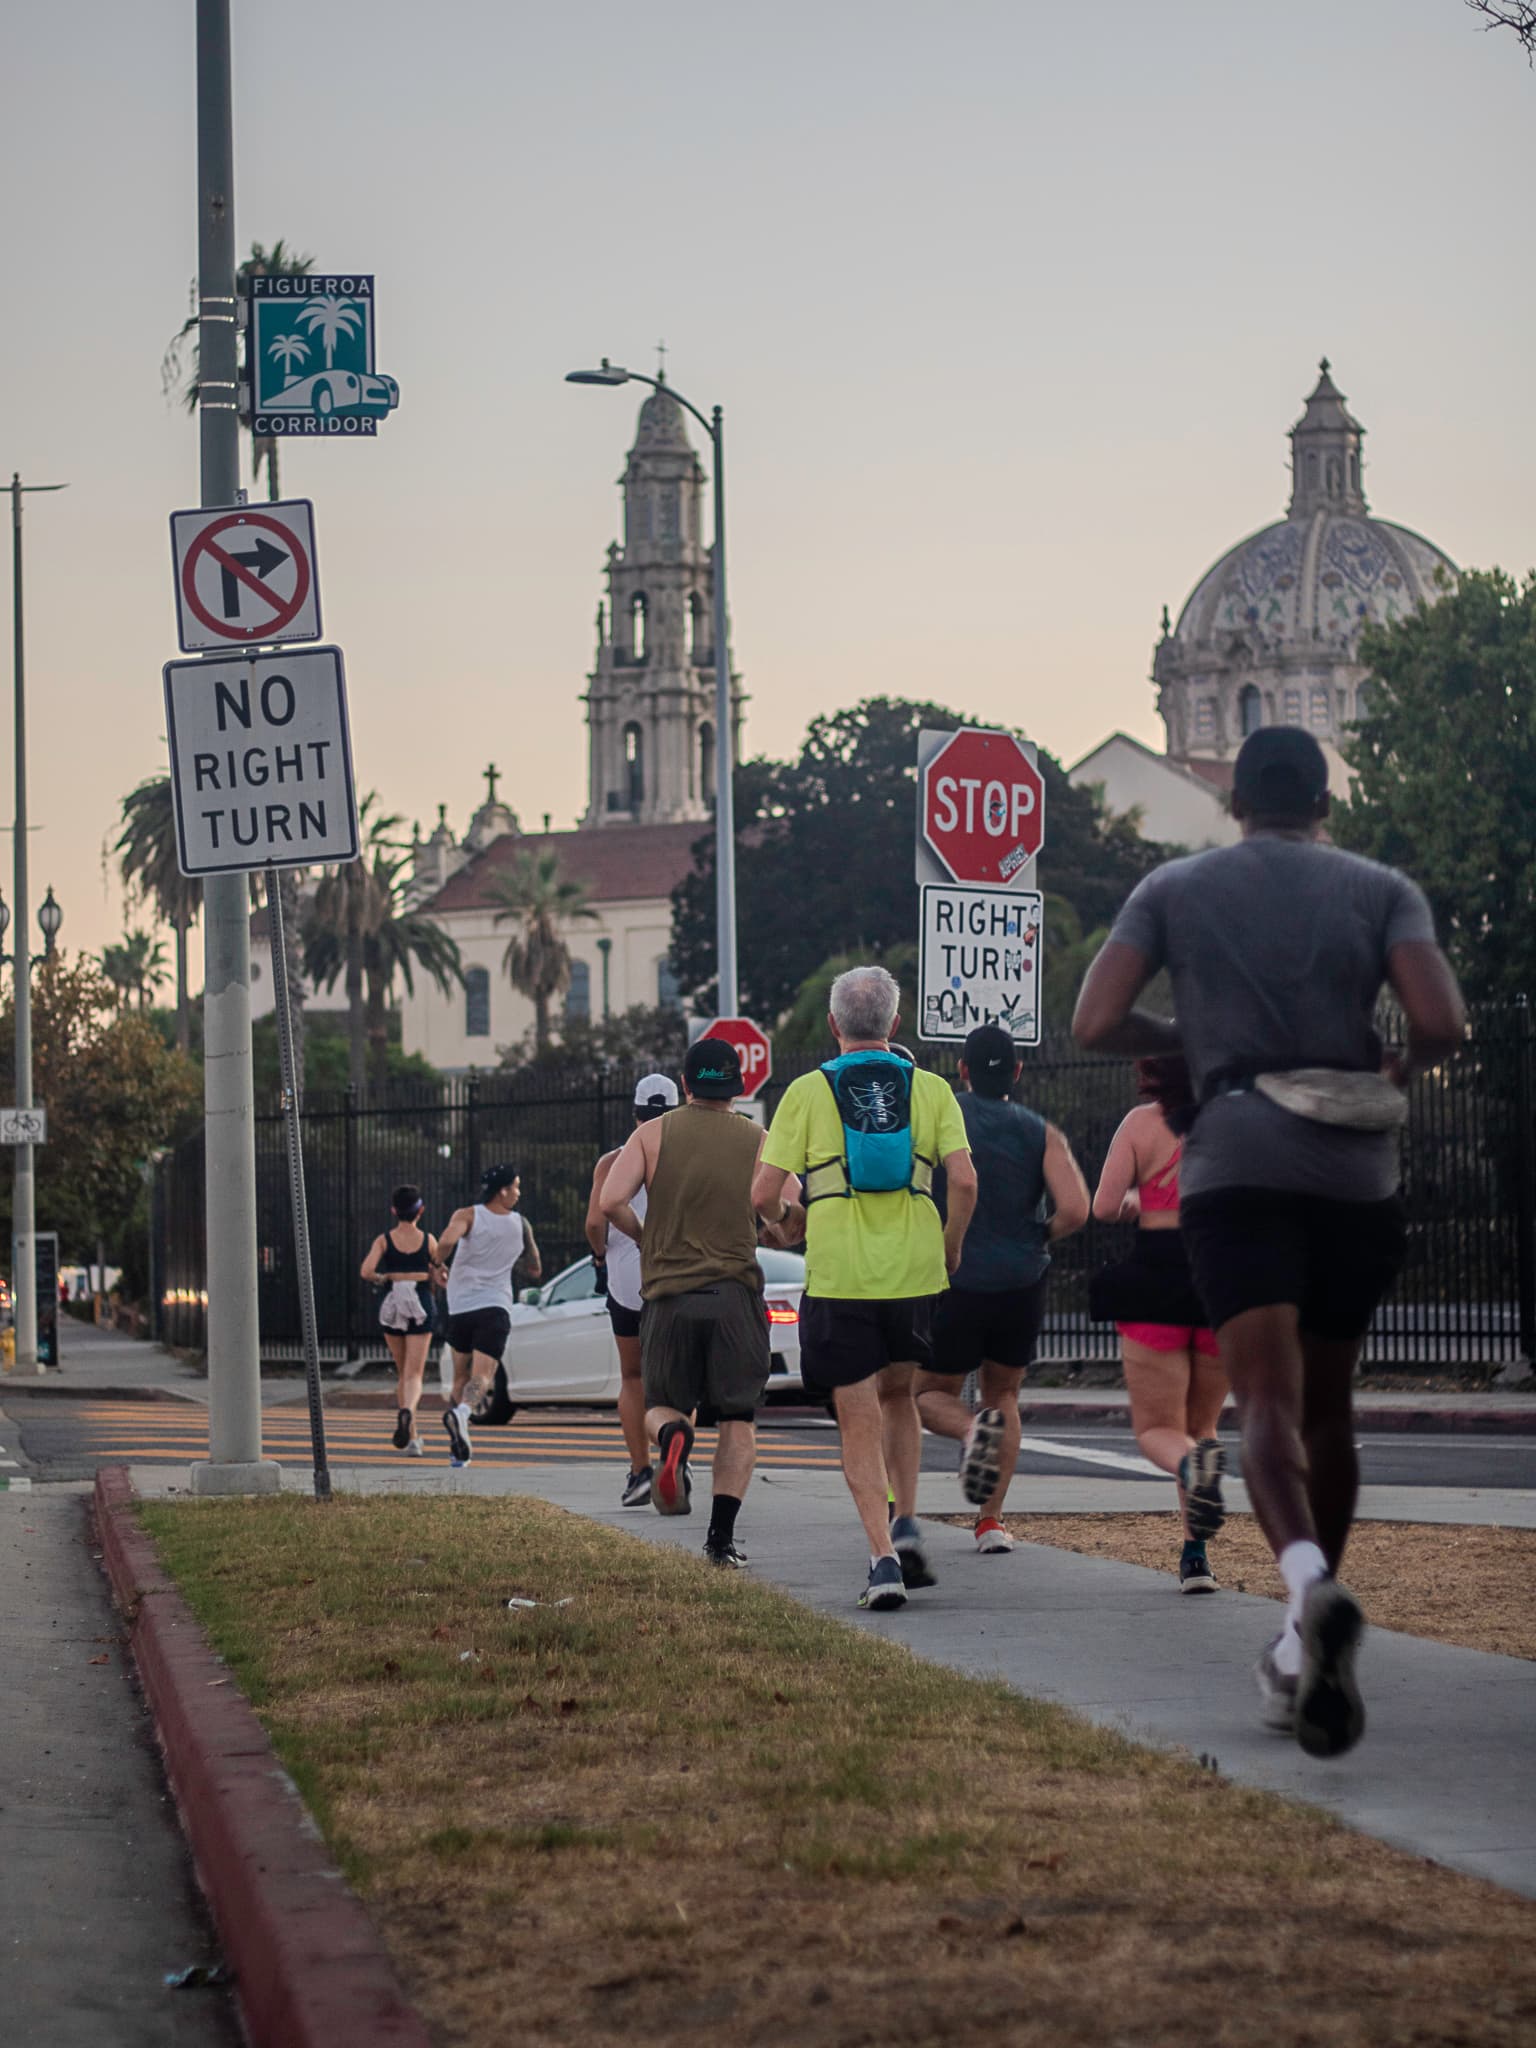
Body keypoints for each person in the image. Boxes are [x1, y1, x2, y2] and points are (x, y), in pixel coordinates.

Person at [1073, 725, 1465, 1757]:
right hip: (1354, 1170)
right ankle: (1300, 1645)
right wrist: (1396, 1076)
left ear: (1236, 803)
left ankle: (1306, 1588)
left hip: (1239, 1159)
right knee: (1331, 1411)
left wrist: (1188, 1046)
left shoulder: (1176, 887)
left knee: (1265, 1409)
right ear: (1324, 803)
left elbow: (1095, 1017)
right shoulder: (1380, 888)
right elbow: (1443, 1020)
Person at [753, 965, 977, 1611]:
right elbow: (963, 1180)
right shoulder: (930, 1088)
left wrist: (785, 1224)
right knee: (901, 1395)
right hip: (914, 1271)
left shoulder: (806, 1091)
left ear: (832, 1026)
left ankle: (882, 1559)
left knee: (856, 1416)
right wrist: (950, 1244)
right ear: (894, 1025)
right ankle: (907, 1520)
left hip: (841, 1274)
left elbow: (763, 1194)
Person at [913, 1023, 1090, 1553]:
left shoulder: (944, 1119)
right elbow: (1077, 1208)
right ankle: (991, 1523)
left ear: (961, 1071)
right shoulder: (1041, 1131)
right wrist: (1038, 1234)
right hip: (1021, 1281)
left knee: (925, 1392)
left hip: (955, 1278)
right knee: (1004, 1395)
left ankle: (971, 1435)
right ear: (1016, 1071)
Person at [600, 1038, 770, 1568]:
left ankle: (673, 1437)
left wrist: (647, 1234)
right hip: (735, 1296)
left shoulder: (651, 1134)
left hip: (669, 1298)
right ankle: (719, 1542)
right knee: (738, 1420)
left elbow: (609, 1202)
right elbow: (782, 1211)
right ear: (737, 1087)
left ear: (686, 1084)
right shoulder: (760, 1138)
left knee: (660, 1404)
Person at [1090, 1057, 1228, 1591]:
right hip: (1219, 1273)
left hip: (1156, 1274)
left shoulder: (1139, 1125)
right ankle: (1196, 1557)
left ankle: (1194, 1473)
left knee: (1157, 1430)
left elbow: (1103, 1206)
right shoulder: (1233, 1122)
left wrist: (1138, 1201)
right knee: (1202, 1425)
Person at [586, 1073, 681, 1507]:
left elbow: (594, 1222)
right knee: (680, 1378)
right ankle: (675, 1458)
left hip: (627, 1283)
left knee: (632, 1376)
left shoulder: (613, 1161)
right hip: (679, 1276)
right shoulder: (687, 1158)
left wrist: (602, 1256)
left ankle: (640, 1469)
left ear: (635, 1113)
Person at [433, 1165, 542, 1468]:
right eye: (516, 1187)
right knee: (483, 1376)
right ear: (503, 1190)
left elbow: (444, 1243)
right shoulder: (521, 1224)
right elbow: (535, 1268)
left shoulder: (467, 1215)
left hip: (460, 1308)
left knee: (459, 1376)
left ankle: (457, 1452)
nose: (519, 1193)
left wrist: (437, 1265)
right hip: (494, 1307)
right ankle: (463, 1413)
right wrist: (511, 1265)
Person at [360, 1184, 440, 1456]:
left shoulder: (384, 1240)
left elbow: (366, 1270)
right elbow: (441, 1272)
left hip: (393, 1299)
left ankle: (413, 1436)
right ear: (421, 1210)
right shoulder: (428, 1239)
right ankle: (407, 1415)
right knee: (415, 1373)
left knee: (402, 1370)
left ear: (394, 1210)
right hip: (420, 1298)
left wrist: (384, 1278)